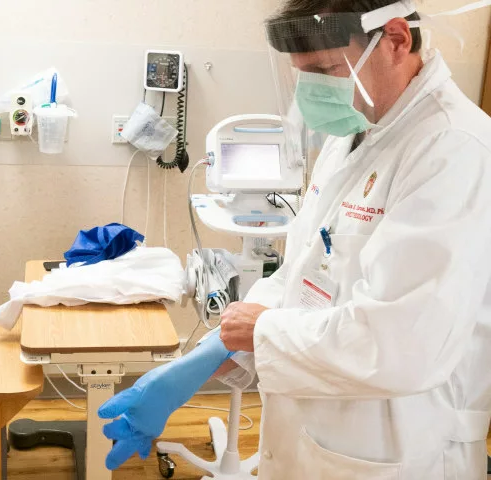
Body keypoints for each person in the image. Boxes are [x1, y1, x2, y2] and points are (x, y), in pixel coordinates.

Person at [100, 1, 491, 478]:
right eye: (302, 75)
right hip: (317, 429)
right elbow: (306, 270)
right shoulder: (354, 132)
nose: (313, 91)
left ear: (395, 39)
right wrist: (216, 352)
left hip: (399, 445)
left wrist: (261, 333)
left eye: (325, 70)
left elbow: (403, 342)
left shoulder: (454, 149)